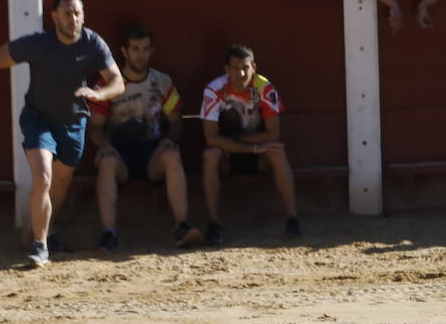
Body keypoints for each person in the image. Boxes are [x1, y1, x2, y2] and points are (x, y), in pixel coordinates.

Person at [0, 0, 123, 268]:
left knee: (60, 182)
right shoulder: (38, 43)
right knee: (43, 177)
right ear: (55, 16)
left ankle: (44, 230)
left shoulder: (92, 42)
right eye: (68, 13)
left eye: (78, 13)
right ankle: (40, 246)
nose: (74, 19)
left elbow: (117, 81)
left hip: (73, 121)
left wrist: (100, 94)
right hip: (39, 118)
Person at [88, 26, 201, 253]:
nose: (141, 55)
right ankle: (108, 234)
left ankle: (182, 226)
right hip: (120, 154)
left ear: (152, 51)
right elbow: (96, 127)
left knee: (171, 154)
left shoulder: (162, 81)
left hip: (152, 153)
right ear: (124, 52)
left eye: (145, 49)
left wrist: (170, 139)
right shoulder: (107, 84)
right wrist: (105, 147)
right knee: (107, 162)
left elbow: (176, 121)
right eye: (136, 49)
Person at [200, 44, 299, 244]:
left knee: (277, 151)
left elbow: (273, 133)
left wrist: (238, 140)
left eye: (246, 67)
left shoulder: (264, 87)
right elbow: (211, 138)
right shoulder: (214, 89)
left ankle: (293, 218)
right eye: (235, 68)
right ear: (226, 70)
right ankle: (213, 223)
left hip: (255, 151)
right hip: (228, 155)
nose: (242, 73)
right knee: (210, 155)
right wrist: (249, 146)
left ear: (254, 67)